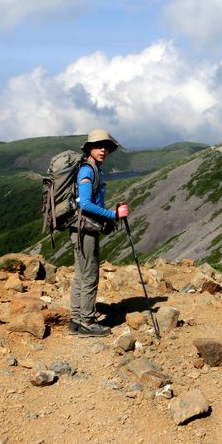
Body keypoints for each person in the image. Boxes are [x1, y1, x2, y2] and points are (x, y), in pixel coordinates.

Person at [68, 129, 129, 337]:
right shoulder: (87, 171)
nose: (103, 150)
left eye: (107, 146)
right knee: (89, 276)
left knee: (80, 274)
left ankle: (75, 320)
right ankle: (87, 322)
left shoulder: (94, 169)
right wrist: (112, 215)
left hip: (83, 228)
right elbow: (85, 204)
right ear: (89, 149)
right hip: (85, 229)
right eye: (98, 146)